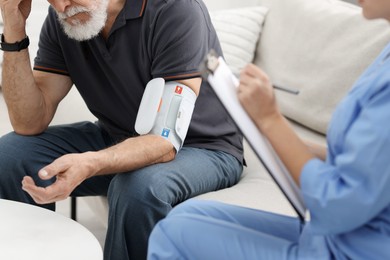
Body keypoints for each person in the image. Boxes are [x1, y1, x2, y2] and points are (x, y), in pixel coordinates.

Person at [0, 0, 244, 259]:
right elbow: (29, 122)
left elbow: (164, 140)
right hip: (119, 134)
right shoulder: (65, 18)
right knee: (11, 156)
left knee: (137, 188)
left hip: (203, 147)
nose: (62, 7)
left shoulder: (175, 9)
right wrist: (14, 29)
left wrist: (92, 162)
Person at [147, 0, 390, 259]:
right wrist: (271, 136)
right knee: (186, 215)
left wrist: (271, 119)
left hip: (351, 249)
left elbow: (335, 205)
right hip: (333, 235)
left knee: (173, 234)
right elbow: (366, 162)